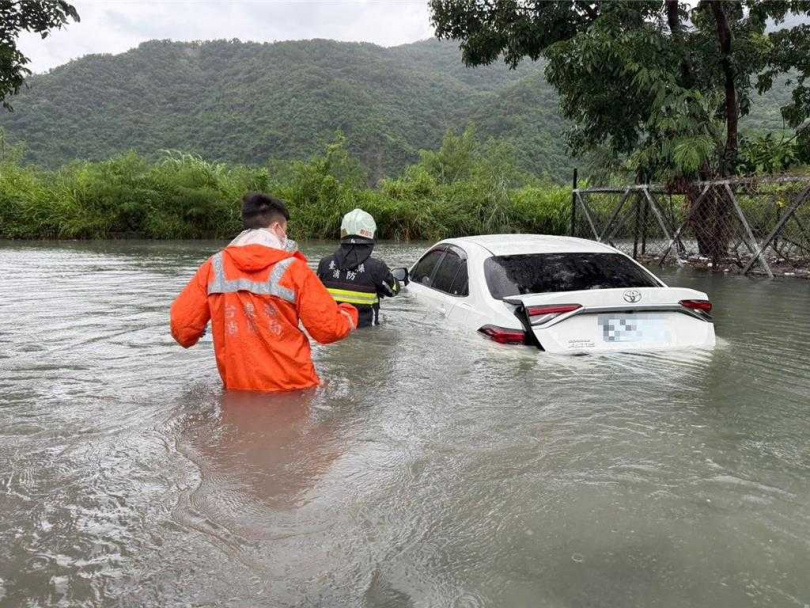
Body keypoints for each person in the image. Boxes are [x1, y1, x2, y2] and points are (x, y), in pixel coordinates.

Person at [170, 193, 358, 392]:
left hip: (237, 390)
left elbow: (182, 330)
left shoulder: (213, 267)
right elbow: (328, 330)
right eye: (286, 229)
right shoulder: (294, 269)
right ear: (277, 228)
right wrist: (348, 313)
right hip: (295, 390)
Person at [317, 208, 400, 328]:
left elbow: (316, 297)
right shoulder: (377, 267)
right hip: (366, 337)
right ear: (370, 234)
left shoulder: (325, 264)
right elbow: (393, 291)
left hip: (333, 334)